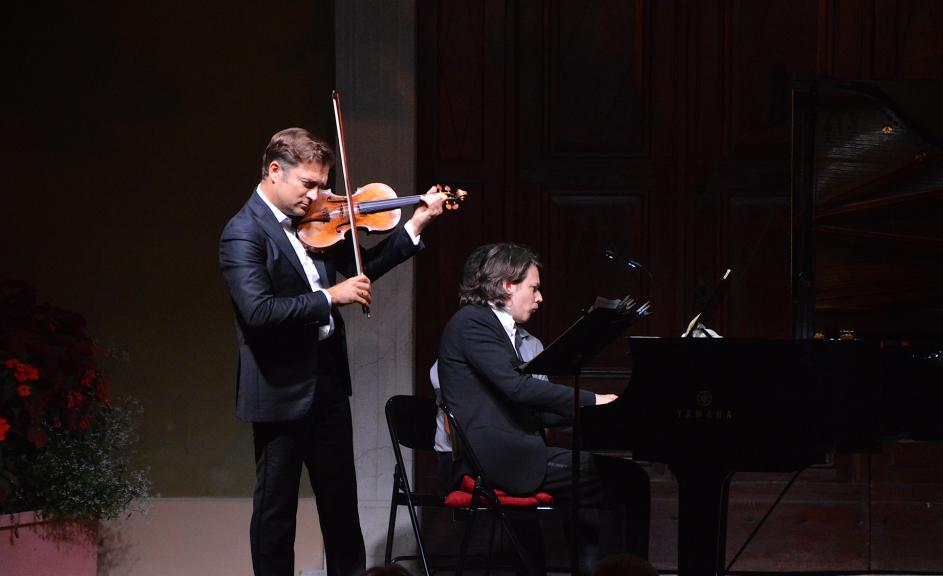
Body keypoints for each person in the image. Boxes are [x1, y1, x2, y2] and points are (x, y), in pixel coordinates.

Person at [219, 127, 448, 576]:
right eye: (309, 184)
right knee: (275, 515)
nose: (320, 195)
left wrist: (415, 226)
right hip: (280, 390)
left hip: (325, 382)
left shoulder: (316, 225)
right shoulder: (243, 233)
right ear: (274, 171)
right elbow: (259, 311)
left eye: (324, 184)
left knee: (342, 511)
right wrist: (329, 297)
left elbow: (360, 274)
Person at [436, 242, 651, 576]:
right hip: (498, 459)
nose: (540, 298)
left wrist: (592, 411)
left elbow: (521, 402)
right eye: (534, 288)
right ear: (508, 285)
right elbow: (518, 389)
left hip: (511, 451)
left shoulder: (491, 327)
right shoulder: (472, 323)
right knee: (629, 480)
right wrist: (593, 401)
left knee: (609, 480)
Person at [428, 243, 548, 483]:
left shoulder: (531, 344)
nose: (539, 298)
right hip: (471, 454)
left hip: (514, 446)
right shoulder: (468, 330)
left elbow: (539, 407)